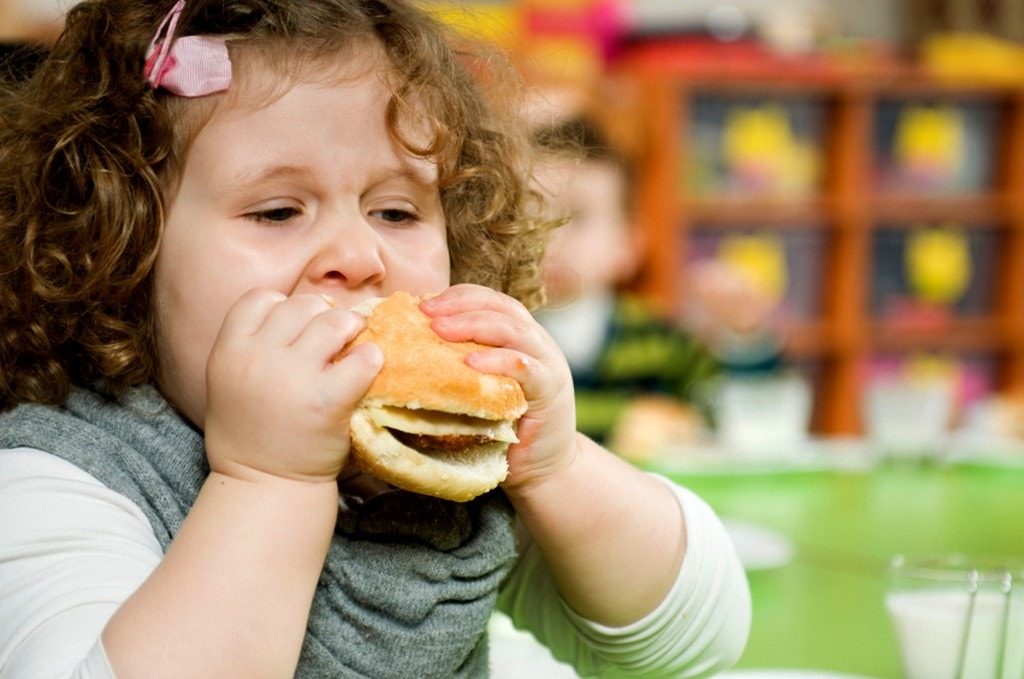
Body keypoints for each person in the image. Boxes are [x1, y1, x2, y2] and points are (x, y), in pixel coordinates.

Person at [0, 1, 750, 677]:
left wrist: (556, 468)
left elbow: (694, 643)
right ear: (123, 252)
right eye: (277, 211)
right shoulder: (60, 481)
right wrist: (270, 481)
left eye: (396, 212)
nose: (359, 256)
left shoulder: (432, 462)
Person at [532, 115, 781, 456]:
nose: (550, 238)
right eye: (530, 215)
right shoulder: (501, 330)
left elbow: (729, 414)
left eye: (576, 217)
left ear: (629, 243)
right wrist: (624, 418)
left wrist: (743, 336)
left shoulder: (661, 338)